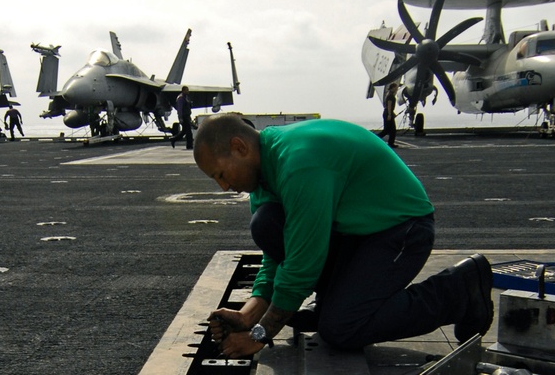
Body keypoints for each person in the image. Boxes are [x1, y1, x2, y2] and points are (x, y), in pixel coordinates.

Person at [193, 112, 493, 356]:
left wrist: (259, 334)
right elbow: (276, 258)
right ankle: (334, 302)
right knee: (266, 224)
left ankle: (459, 291)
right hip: (358, 233)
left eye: (220, 174)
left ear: (240, 147)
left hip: (402, 230)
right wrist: (247, 315)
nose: (223, 187)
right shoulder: (263, 178)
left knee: (341, 328)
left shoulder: (298, 163)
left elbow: (302, 264)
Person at [175, 86, 194, 151]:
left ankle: (173, 139)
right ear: (183, 90)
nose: (188, 91)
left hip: (187, 116)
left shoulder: (186, 98)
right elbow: (180, 109)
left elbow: (188, 107)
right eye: (187, 90)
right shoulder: (180, 98)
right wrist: (180, 118)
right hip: (184, 116)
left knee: (184, 131)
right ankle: (189, 145)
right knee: (188, 132)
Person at [382, 83, 398, 147]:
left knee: (389, 130)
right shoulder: (390, 96)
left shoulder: (389, 95)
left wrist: (392, 113)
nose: (397, 88)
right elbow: (389, 105)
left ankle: (391, 143)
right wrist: (389, 114)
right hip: (387, 113)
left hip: (388, 113)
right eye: (396, 87)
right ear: (393, 88)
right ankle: (390, 143)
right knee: (389, 130)